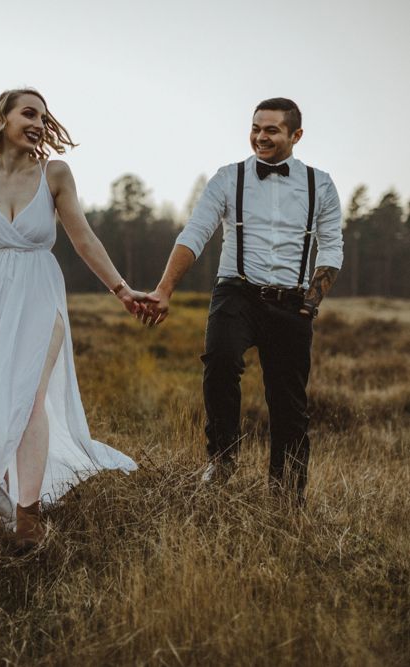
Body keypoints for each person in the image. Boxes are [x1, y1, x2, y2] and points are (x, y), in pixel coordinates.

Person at [0, 88, 148, 549]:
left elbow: (83, 237)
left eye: (44, 118)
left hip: (39, 296)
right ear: (1, 118)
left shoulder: (55, 174)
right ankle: (1, 493)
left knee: (30, 397)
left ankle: (29, 514)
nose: (38, 123)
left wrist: (121, 289)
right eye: (29, 113)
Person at [143, 98, 343, 504]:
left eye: (271, 129)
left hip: (292, 302)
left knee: (288, 402)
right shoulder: (227, 178)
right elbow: (195, 232)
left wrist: (311, 303)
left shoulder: (319, 183)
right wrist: (164, 289)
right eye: (256, 127)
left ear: (296, 135)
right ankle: (222, 458)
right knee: (219, 361)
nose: (260, 136)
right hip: (236, 290)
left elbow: (332, 247)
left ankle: (286, 493)